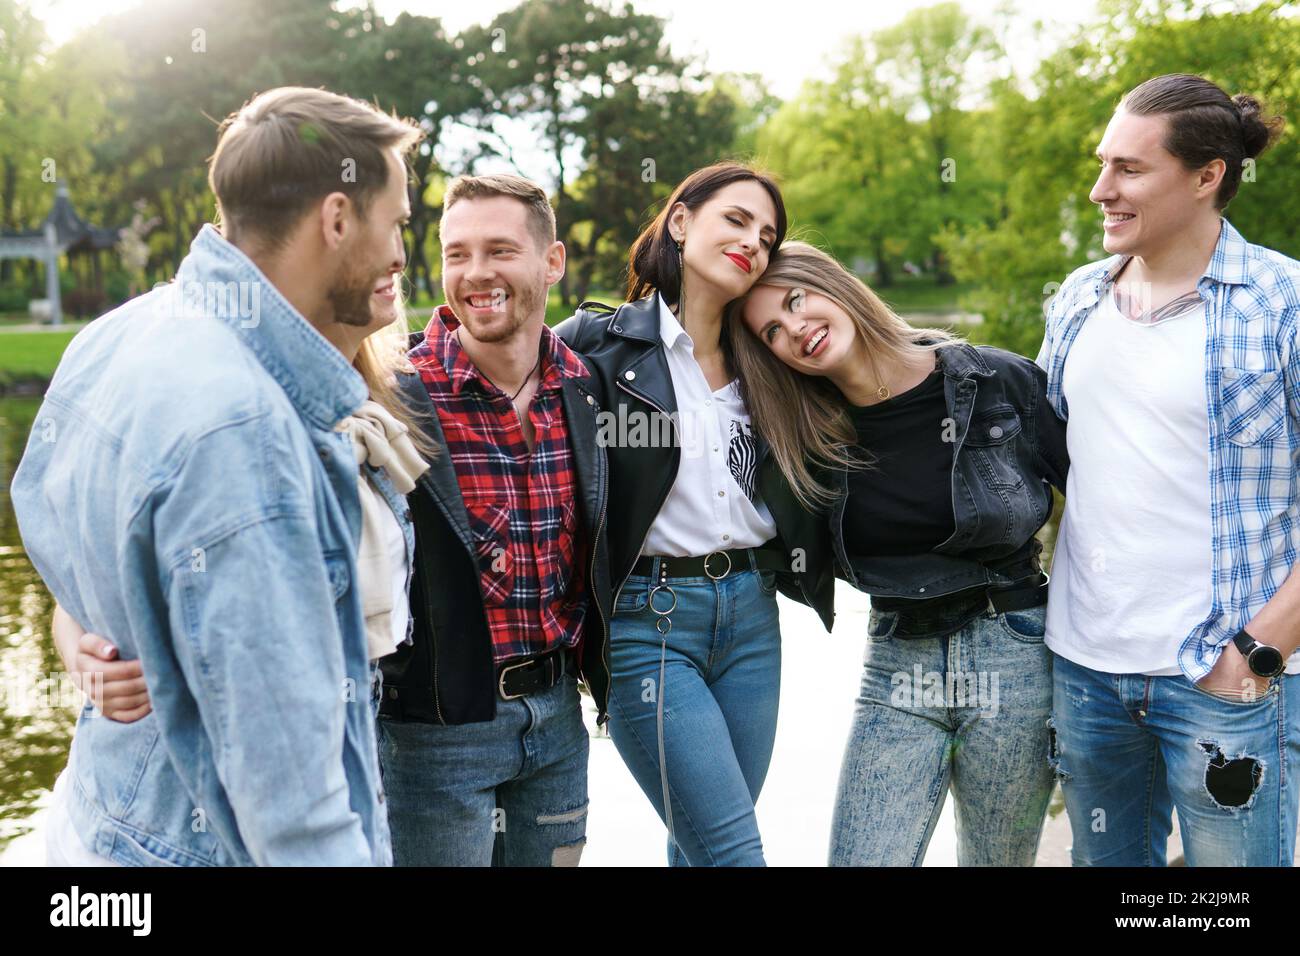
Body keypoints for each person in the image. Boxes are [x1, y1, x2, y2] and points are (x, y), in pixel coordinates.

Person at [11, 86, 422, 866]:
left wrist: (86, 636)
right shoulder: (245, 434)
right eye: (396, 222)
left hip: (104, 810)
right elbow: (291, 808)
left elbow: (50, 529)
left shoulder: (121, 332)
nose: (403, 252)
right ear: (337, 220)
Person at [45, 283, 434, 865]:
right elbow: (89, 562)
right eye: (384, 223)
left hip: (333, 769)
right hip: (173, 815)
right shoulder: (223, 406)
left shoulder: (374, 399)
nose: (397, 256)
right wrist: (79, 650)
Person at [729, 239, 1068, 865]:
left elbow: (1098, 508)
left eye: (797, 301)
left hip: (1014, 651)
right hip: (896, 660)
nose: (795, 329)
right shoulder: (805, 436)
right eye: (772, 330)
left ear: (835, 284)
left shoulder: (995, 381)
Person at [1038, 73, 1300, 866]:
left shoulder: (1284, 304)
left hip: (1227, 678)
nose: (1100, 190)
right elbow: (1034, 460)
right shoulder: (1077, 298)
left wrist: (1257, 654)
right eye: (1101, 164)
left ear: (1207, 175)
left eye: (1128, 169)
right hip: (1086, 674)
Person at [554, 163, 835, 866]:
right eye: (736, 220)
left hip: (751, 619)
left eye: (767, 237)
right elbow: (499, 382)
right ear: (681, 222)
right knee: (734, 852)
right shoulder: (598, 345)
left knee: (700, 846)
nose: (753, 243)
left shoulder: (772, 359)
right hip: (649, 624)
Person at [375, 174, 611, 867]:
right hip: (433, 735)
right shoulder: (393, 395)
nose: (476, 274)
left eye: (501, 251)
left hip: (558, 721)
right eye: (457, 254)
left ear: (552, 261)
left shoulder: (587, 389)